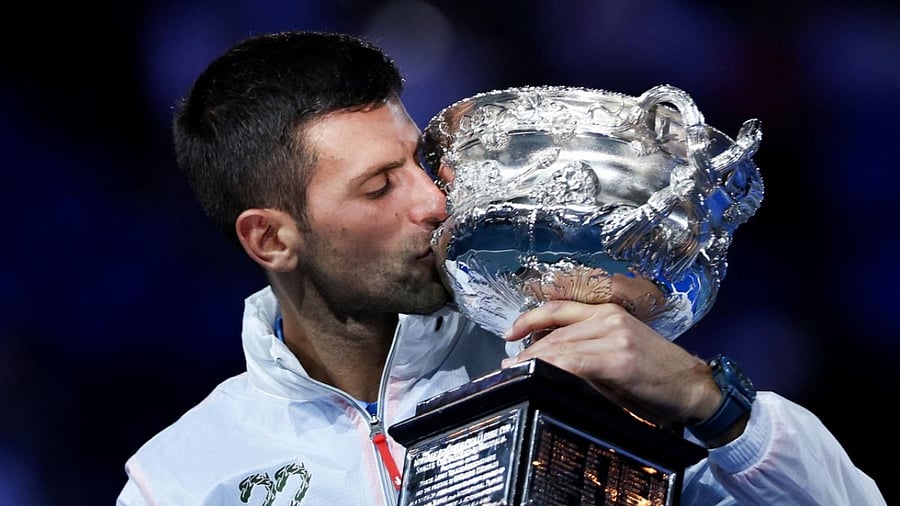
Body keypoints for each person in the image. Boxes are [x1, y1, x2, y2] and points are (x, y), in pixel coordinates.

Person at [116, 30, 886, 505]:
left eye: (419, 162)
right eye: (380, 187)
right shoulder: (184, 479)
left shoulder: (576, 356)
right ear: (272, 241)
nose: (432, 201)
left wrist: (704, 398)